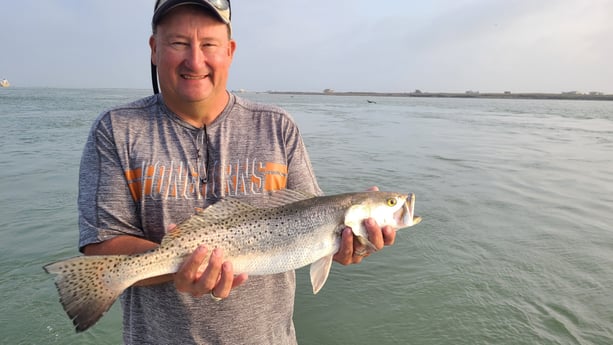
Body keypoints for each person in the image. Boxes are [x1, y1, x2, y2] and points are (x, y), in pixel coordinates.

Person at [78, 0, 397, 344]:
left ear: (229, 51)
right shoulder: (116, 130)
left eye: (209, 45)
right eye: (179, 43)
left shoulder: (278, 127)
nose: (195, 60)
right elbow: (101, 248)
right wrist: (176, 267)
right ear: (154, 49)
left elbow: (314, 224)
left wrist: (353, 246)